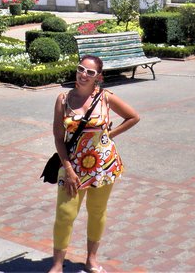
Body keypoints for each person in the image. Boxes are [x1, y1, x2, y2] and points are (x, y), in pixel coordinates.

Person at [48, 55, 140, 273]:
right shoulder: (63, 99)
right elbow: (58, 138)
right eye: (81, 69)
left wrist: (109, 135)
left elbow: (133, 116)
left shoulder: (106, 98)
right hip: (73, 167)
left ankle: (91, 260)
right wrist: (68, 169)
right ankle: (57, 265)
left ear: (98, 76)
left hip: (104, 166)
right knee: (65, 214)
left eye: (90, 72)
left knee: (97, 212)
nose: (83, 74)